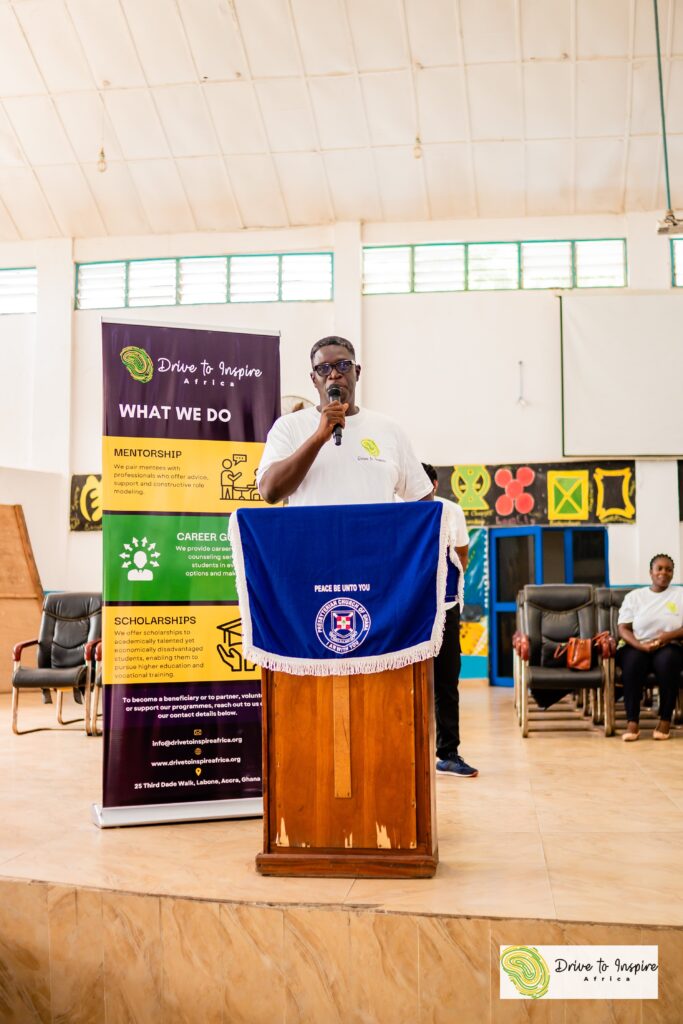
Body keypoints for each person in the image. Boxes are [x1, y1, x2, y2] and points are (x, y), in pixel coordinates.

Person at [257, 336, 432, 506]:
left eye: (343, 365)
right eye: (323, 369)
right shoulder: (289, 426)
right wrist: (318, 437)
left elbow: (422, 498)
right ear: (314, 379)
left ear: (357, 372)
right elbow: (270, 492)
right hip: (314, 528)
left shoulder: (389, 429)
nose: (334, 374)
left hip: (374, 528)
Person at [422, 464, 478, 778]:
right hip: (406, 611)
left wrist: (445, 589)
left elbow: (462, 554)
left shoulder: (450, 510)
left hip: (444, 607)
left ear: (433, 484)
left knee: (446, 681)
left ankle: (448, 754)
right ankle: (402, 751)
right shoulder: (393, 506)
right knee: (400, 682)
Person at [617, 553, 683, 741]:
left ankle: (665, 720)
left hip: (670, 645)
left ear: (673, 573)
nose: (664, 573)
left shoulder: (680, 595)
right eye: (659, 569)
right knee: (632, 663)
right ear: (651, 572)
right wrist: (640, 645)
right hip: (637, 644)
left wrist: (668, 636)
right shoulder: (635, 597)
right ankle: (632, 722)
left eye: (668, 569)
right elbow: (623, 628)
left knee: (668, 661)